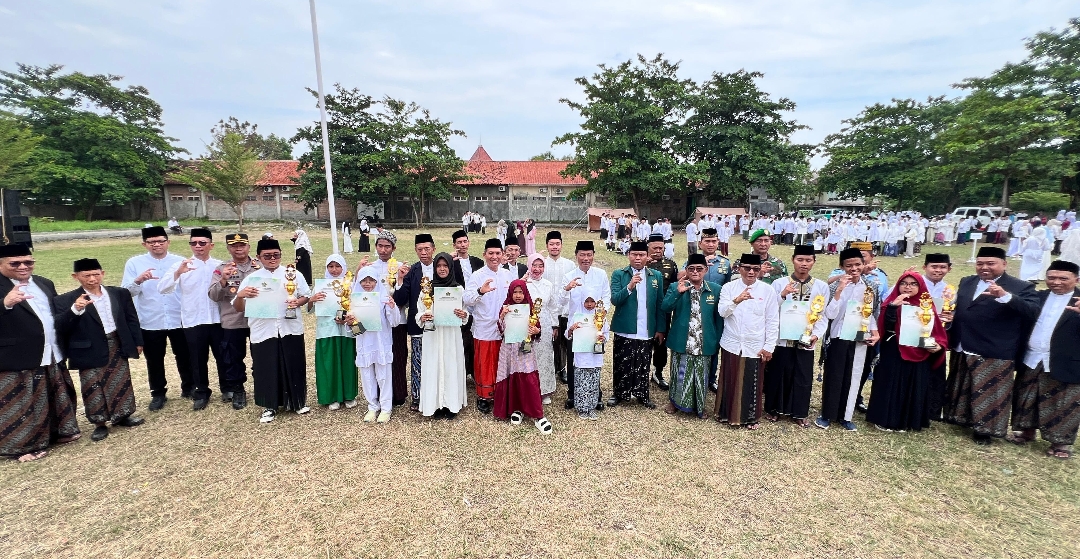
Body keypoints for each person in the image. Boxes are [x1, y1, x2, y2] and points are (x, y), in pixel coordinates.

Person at [944, 246, 1039, 445]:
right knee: (963, 385)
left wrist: (1005, 296)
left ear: (1004, 264)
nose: (984, 267)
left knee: (989, 392)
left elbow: (1032, 311)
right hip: (964, 343)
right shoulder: (967, 281)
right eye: (980, 263)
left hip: (994, 348)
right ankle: (959, 418)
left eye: (990, 263)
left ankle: (984, 430)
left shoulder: (1021, 287)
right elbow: (963, 307)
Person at [0, 244, 81, 461]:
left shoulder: (44, 283)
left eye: (28, 262)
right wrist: (5, 304)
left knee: (52, 394)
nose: (23, 266)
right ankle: (20, 448)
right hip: (16, 357)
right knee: (20, 404)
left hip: (50, 351)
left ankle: (58, 432)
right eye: (15, 263)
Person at [54, 258, 145, 442]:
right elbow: (61, 326)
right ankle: (99, 422)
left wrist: (137, 341)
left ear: (102, 273)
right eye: (86, 275)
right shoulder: (65, 300)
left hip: (116, 342)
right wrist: (75, 309)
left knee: (121, 380)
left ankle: (123, 415)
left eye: (96, 274)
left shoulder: (119, 293)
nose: (92, 279)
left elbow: (131, 318)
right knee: (93, 386)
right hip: (88, 348)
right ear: (76, 277)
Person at [232, 238, 312, 423]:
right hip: (264, 330)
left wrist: (298, 302)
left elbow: (306, 296)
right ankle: (269, 406)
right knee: (266, 367)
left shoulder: (293, 274)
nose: (272, 259)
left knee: (293, 364)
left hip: (289, 327)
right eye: (267, 256)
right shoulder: (252, 279)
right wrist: (240, 295)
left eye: (276, 255)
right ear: (259, 257)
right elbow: (238, 307)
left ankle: (297, 402)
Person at [1009, 260, 1080, 459]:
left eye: (1063, 278)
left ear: (1076, 279)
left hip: (1065, 360)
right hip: (1033, 356)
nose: (1056, 282)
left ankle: (1060, 443)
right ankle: (1026, 431)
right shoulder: (1037, 296)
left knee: (1063, 402)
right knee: (1027, 395)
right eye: (1051, 277)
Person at [865, 272, 948, 432]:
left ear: (920, 286)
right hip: (894, 349)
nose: (908, 287)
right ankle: (885, 419)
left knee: (913, 384)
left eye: (913, 284)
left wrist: (938, 346)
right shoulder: (891, 303)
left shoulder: (927, 306)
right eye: (904, 283)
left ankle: (908, 421)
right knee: (891, 384)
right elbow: (884, 328)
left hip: (919, 352)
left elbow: (938, 332)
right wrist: (893, 307)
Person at [122, 226, 190, 411]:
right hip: (150, 319)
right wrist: (138, 280)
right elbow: (125, 293)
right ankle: (158, 393)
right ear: (144, 244)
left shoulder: (179, 261)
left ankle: (189, 387)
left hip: (178, 317)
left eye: (160, 241)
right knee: (154, 359)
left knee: (184, 355)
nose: (157, 245)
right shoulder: (134, 263)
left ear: (168, 242)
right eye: (151, 242)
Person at [158, 228, 224, 411]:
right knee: (197, 359)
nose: (198, 246)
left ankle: (227, 388)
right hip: (193, 320)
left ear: (211, 245)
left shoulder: (219, 265)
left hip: (217, 319)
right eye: (193, 243)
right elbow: (162, 288)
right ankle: (201, 392)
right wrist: (178, 273)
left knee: (223, 356)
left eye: (202, 243)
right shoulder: (181, 265)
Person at [815, 248, 880, 431]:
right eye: (849, 265)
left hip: (859, 337)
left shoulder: (870, 287)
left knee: (854, 376)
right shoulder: (834, 286)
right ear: (842, 266)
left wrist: (875, 333)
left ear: (864, 264)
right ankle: (827, 415)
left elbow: (871, 313)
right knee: (834, 376)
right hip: (838, 336)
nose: (854, 268)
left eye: (858, 264)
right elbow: (829, 314)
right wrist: (839, 290)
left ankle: (846, 416)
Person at [766, 245, 829, 427]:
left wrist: (816, 335)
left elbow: (823, 315)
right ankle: (774, 410)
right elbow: (770, 310)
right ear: (793, 260)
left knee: (802, 376)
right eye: (800, 260)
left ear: (814, 262)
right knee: (778, 374)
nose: (804, 264)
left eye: (808, 260)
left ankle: (799, 412)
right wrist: (783, 295)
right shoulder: (779, 283)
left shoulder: (821, 286)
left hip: (805, 339)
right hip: (782, 339)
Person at [715, 254, 779, 429]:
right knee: (729, 379)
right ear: (739, 268)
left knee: (752, 382)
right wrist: (736, 301)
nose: (751, 272)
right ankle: (725, 414)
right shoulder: (729, 287)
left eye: (755, 269)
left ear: (760, 271)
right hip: (732, 342)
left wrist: (769, 346)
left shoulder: (767, 290)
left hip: (755, 344)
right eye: (747, 268)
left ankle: (750, 418)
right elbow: (722, 312)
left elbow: (772, 320)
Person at [661, 253, 723, 418]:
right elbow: (665, 307)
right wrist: (678, 293)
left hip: (704, 340)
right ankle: (674, 402)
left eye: (699, 269)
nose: (695, 272)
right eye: (691, 269)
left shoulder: (715, 289)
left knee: (701, 375)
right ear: (686, 270)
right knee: (678, 372)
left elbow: (718, 319)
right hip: (682, 338)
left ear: (706, 270)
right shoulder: (676, 286)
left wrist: (716, 339)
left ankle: (699, 406)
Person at [608, 241, 666, 409]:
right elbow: (615, 299)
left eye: (641, 255)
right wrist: (630, 286)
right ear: (629, 255)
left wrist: (660, 328)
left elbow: (660, 303)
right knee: (622, 362)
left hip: (646, 327)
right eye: (634, 254)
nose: (638, 258)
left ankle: (642, 394)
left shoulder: (656, 276)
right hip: (625, 326)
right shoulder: (619, 274)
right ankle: (619, 393)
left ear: (647, 256)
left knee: (643, 362)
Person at [357, 230, 410, 407]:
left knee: (398, 356)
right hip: (374, 322)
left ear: (394, 248)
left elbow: (405, 297)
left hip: (397, 319)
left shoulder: (401, 267)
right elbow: (359, 293)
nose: (383, 250)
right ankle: (379, 395)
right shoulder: (369, 268)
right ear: (376, 247)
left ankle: (398, 393)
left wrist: (401, 279)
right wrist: (358, 271)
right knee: (378, 358)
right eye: (380, 246)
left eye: (387, 246)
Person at [556, 240, 611, 410]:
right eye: (582, 255)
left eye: (589, 255)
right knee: (574, 362)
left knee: (594, 360)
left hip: (595, 326)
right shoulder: (569, 276)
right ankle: (573, 395)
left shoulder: (600, 274)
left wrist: (602, 315)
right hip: (576, 326)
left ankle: (596, 396)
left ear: (593, 255)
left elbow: (606, 297)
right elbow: (560, 303)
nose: (586, 258)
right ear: (576, 255)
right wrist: (567, 289)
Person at [463, 239, 516, 414]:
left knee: (502, 363)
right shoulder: (477, 275)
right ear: (484, 255)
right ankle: (484, 397)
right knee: (485, 364)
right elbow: (467, 299)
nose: (494, 257)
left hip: (505, 328)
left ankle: (501, 394)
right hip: (484, 328)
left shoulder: (507, 275)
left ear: (502, 255)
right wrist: (480, 291)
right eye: (491, 253)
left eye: (498, 253)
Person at [493, 279, 552, 434]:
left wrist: (536, 331)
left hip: (525, 349)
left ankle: (538, 415)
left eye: (521, 292)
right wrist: (502, 316)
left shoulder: (530, 308)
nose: (518, 295)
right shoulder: (506, 307)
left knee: (528, 378)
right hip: (509, 349)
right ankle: (516, 408)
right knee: (512, 377)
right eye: (515, 292)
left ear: (525, 293)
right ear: (510, 293)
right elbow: (500, 331)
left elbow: (537, 328)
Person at [207, 233, 258, 410]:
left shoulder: (259, 266)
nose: (238, 249)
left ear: (248, 247)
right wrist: (223, 280)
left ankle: (261, 386)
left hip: (257, 319)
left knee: (260, 355)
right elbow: (213, 295)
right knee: (233, 358)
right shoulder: (222, 268)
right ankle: (238, 390)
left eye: (242, 245)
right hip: (232, 320)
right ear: (228, 248)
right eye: (234, 246)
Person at [415, 253, 469, 418]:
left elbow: (465, 311)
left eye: (445, 265)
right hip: (433, 334)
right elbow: (419, 311)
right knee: (434, 366)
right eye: (439, 266)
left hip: (451, 334)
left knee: (451, 366)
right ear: (434, 268)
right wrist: (422, 317)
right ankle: (436, 405)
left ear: (451, 267)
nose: (442, 269)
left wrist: (463, 315)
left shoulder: (458, 289)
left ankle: (451, 405)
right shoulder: (427, 289)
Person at [348, 266, 402, 424]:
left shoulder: (383, 298)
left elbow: (394, 322)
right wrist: (351, 322)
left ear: (377, 281)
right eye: (364, 280)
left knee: (383, 376)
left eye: (371, 280)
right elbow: (354, 329)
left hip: (381, 342)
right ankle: (372, 406)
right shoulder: (354, 300)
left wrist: (392, 307)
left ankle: (386, 408)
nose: (367, 284)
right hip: (364, 342)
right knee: (367, 376)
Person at [392, 233, 437, 411]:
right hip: (417, 324)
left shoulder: (442, 267)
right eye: (420, 249)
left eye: (427, 249)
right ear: (415, 251)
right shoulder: (412, 271)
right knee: (418, 361)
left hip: (439, 323)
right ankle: (417, 397)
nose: (424, 252)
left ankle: (436, 396)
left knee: (437, 360)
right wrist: (400, 279)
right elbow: (400, 300)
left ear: (433, 249)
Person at [309, 254, 358, 411]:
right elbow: (310, 309)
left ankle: (348, 395)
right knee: (328, 363)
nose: (334, 270)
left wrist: (347, 317)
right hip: (327, 331)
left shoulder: (350, 285)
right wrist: (312, 299)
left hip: (346, 330)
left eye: (338, 266)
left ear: (343, 267)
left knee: (347, 362)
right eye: (331, 266)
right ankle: (331, 396)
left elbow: (357, 306)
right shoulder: (321, 286)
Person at [920, 253, 955, 420]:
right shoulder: (914, 284)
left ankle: (932, 411)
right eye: (934, 266)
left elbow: (954, 314)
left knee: (935, 372)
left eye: (942, 267)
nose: (938, 270)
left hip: (937, 338)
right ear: (925, 267)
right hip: (914, 335)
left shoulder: (950, 291)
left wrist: (951, 318)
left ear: (949, 269)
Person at [566, 288, 608, 420]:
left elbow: (606, 334)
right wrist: (571, 329)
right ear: (582, 302)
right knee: (581, 383)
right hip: (581, 356)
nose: (589, 304)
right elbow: (567, 335)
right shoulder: (576, 316)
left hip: (595, 356)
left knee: (593, 383)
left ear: (596, 302)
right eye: (586, 301)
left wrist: (603, 338)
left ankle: (591, 407)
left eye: (592, 301)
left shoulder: (601, 317)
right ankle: (582, 408)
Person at [542, 231, 577, 387]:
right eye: (551, 244)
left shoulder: (569, 265)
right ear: (547, 246)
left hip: (564, 310)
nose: (554, 247)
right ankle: (549, 369)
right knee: (548, 342)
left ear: (561, 245)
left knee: (563, 342)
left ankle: (562, 369)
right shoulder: (542, 264)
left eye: (557, 244)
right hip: (547, 311)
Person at [646, 233, 679, 390]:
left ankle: (658, 372)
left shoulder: (670, 265)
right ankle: (641, 371)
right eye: (655, 248)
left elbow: (674, 286)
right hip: (644, 309)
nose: (658, 251)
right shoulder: (641, 262)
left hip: (663, 311)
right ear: (648, 247)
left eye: (661, 248)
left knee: (661, 342)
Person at [524, 253, 557, 404]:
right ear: (529, 265)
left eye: (541, 266)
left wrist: (555, 325)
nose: (537, 269)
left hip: (544, 323)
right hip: (526, 323)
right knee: (527, 356)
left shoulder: (548, 284)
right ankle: (528, 390)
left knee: (544, 357)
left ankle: (544, 390)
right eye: (534, 265)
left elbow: (553, 307)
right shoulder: (523, 283)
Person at [451, 230, 485, 379]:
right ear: (454, 245)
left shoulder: (478, 262)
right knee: (463, 341)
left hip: (477, 306)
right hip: (460, 307)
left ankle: (476, 372)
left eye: (465, 241)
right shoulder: (451, 263)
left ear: (469, 243)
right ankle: (463, 373)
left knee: (475, 341)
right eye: (459, 242)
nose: (462, 245)